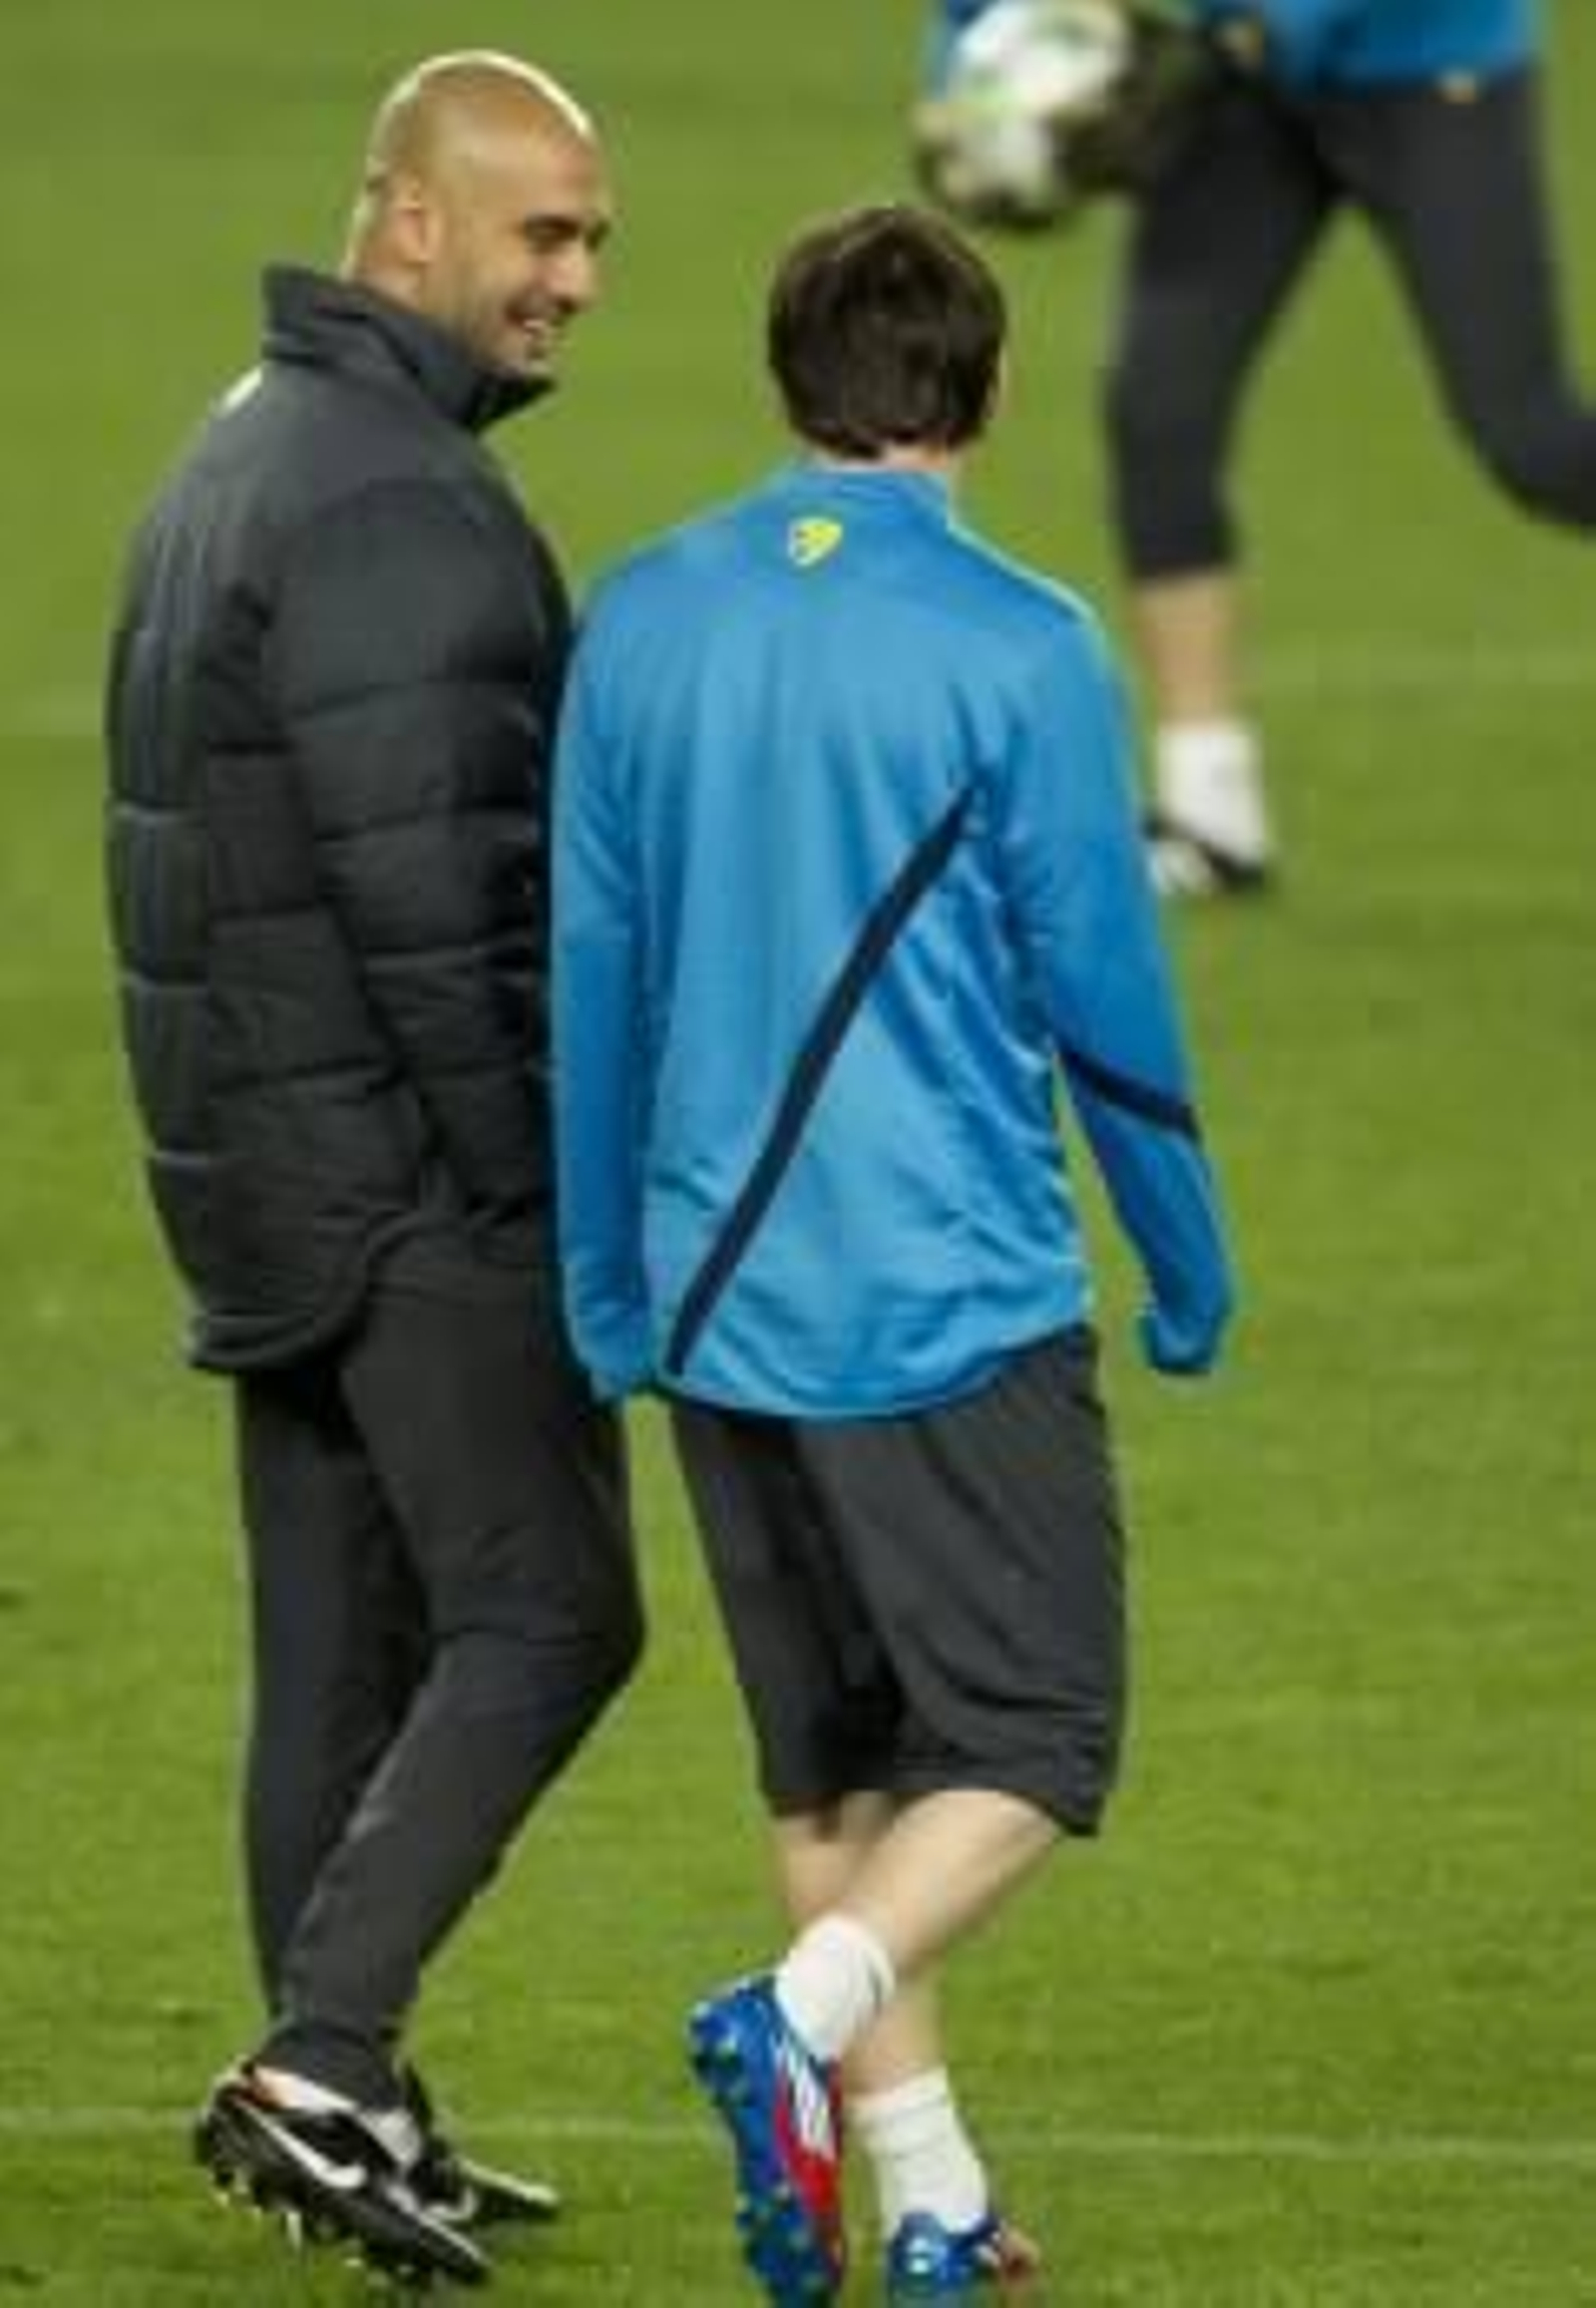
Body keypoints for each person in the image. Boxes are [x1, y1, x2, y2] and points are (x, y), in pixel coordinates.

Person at [553, 203, 1234, 2305]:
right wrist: (1182, 1246)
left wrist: (605, 1274)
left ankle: (924, 2197)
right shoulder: (1018, 642)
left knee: (834, 1754)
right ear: (983, 388)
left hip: (713, 1303)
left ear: (789, 377)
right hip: (943, 1299)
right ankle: (802, 2009)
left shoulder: (642, 613)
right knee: (1033, 1737)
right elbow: (1100, 994)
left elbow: (588, 970)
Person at [104, 52, 641, 2289]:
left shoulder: (245, 448)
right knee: (549, 1606)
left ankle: (355, 2090)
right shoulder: (390, 502)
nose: (575, 284)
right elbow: (446, 901)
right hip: (404, 1170)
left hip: (257, 1153)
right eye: (540, 235)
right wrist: (538, 1200)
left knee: (333, 1652)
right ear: (404, 222)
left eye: (594, 242)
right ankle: (320, 2057)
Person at [932, 0, 1596, 895]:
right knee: (1159, 413)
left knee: (1532, 440)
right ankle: (1211, 812)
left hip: (1428, 62)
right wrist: (976, 73)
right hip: (1239, 81)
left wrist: (1266, 29)